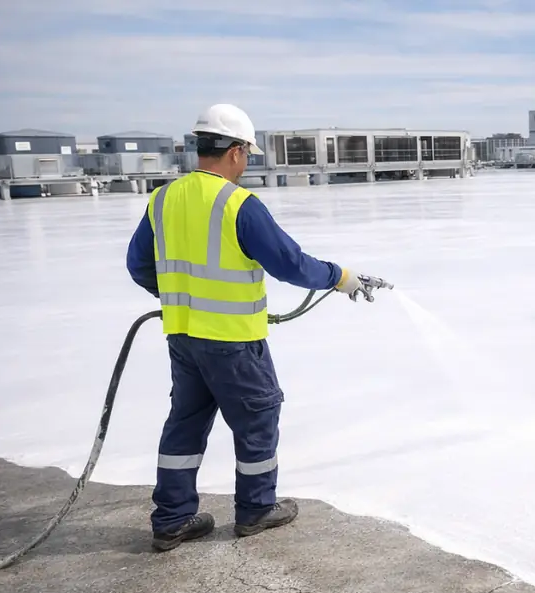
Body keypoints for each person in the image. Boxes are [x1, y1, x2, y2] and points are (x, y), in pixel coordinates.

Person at [126, 103, 369, 552]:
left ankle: (172, 519)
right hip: (234, 342)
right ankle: (256, 509)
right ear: (236, 151)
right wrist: (339, 277)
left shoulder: (162, 198)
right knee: (257, 418)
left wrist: (181, 296)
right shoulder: (237, 204)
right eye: (247, 155)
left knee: (185, 423)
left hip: (183, 338)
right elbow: (289, 264)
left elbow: (138, 265)